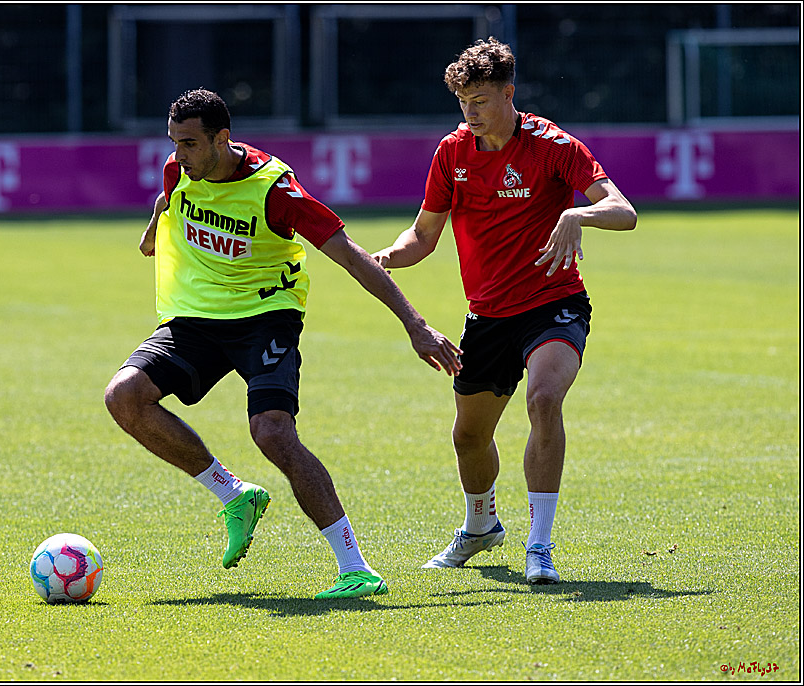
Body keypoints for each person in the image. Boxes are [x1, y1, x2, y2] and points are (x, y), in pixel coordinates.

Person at [104, 88, 462, 599]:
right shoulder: (180, 170)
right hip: (197, 319)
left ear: (222, 139)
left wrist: (415, 325)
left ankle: (356, 568)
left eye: (189, 143)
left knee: (272, 433)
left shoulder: (276, 191)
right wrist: (152, 231)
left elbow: (350, 254)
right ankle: (234, 495)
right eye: (174, 142)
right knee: (124, 396)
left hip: (265, 319)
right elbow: (169, 199)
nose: (178, 155)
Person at [373, 38, 636, 584]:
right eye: (463, 102)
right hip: (488, 315)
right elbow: (423, 235)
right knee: (468, 437)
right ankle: (480, 527)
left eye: (481, 101)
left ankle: (540, 545)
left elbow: (623, 210)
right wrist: (389, 257)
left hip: (553, 304)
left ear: (508, 93)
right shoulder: (452, 153)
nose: (470, 112)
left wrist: (577, 215)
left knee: (544, 399)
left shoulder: (552, 145)